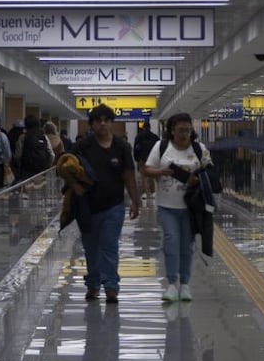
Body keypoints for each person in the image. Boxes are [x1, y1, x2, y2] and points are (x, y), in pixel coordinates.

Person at [70, 103, 139, 303]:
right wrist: (75, 186)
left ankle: (110, 286)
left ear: (111, 123)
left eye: (106, 120)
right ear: (91, 124)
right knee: (91, 247)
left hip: (114, 206)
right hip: (87, 206)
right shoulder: (83, 146)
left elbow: (128, 175)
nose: (102, 124)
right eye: (98, 120)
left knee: (109, 246)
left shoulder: (121, 147)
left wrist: (135, 201)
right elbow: (65, 167)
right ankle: (93, 284)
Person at [144, 112, 214, 302]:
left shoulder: (199, 149)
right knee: (171, 241)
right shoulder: (162, 147)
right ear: (172, 131)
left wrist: (198, 178)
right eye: (181, 130)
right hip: (167, 206)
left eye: (188, 130)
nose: (185, 133)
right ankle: (172, 283)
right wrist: (162, 171)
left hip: (191, 207)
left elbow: (210, 172)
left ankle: (185, 284)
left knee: (187, 245)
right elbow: (147, 169)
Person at [15, 114, 53, 180]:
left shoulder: (23, 137)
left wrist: (19, 165)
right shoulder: (44, 137)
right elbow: (52, 155)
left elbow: (18, 155)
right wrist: (47, 166)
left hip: (27, 171)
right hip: (42, 172)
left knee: (27, 189)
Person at [132, 120, 159, 201]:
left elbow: (136, 148)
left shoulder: (139, 136)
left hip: (142, 159)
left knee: (143, 177)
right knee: (152, 177)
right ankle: (153, 193)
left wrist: (137, 158)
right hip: (152, 159)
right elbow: (158, 149)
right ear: (150, 127)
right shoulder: (155, 137)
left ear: (143, 127)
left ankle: (144, 194)